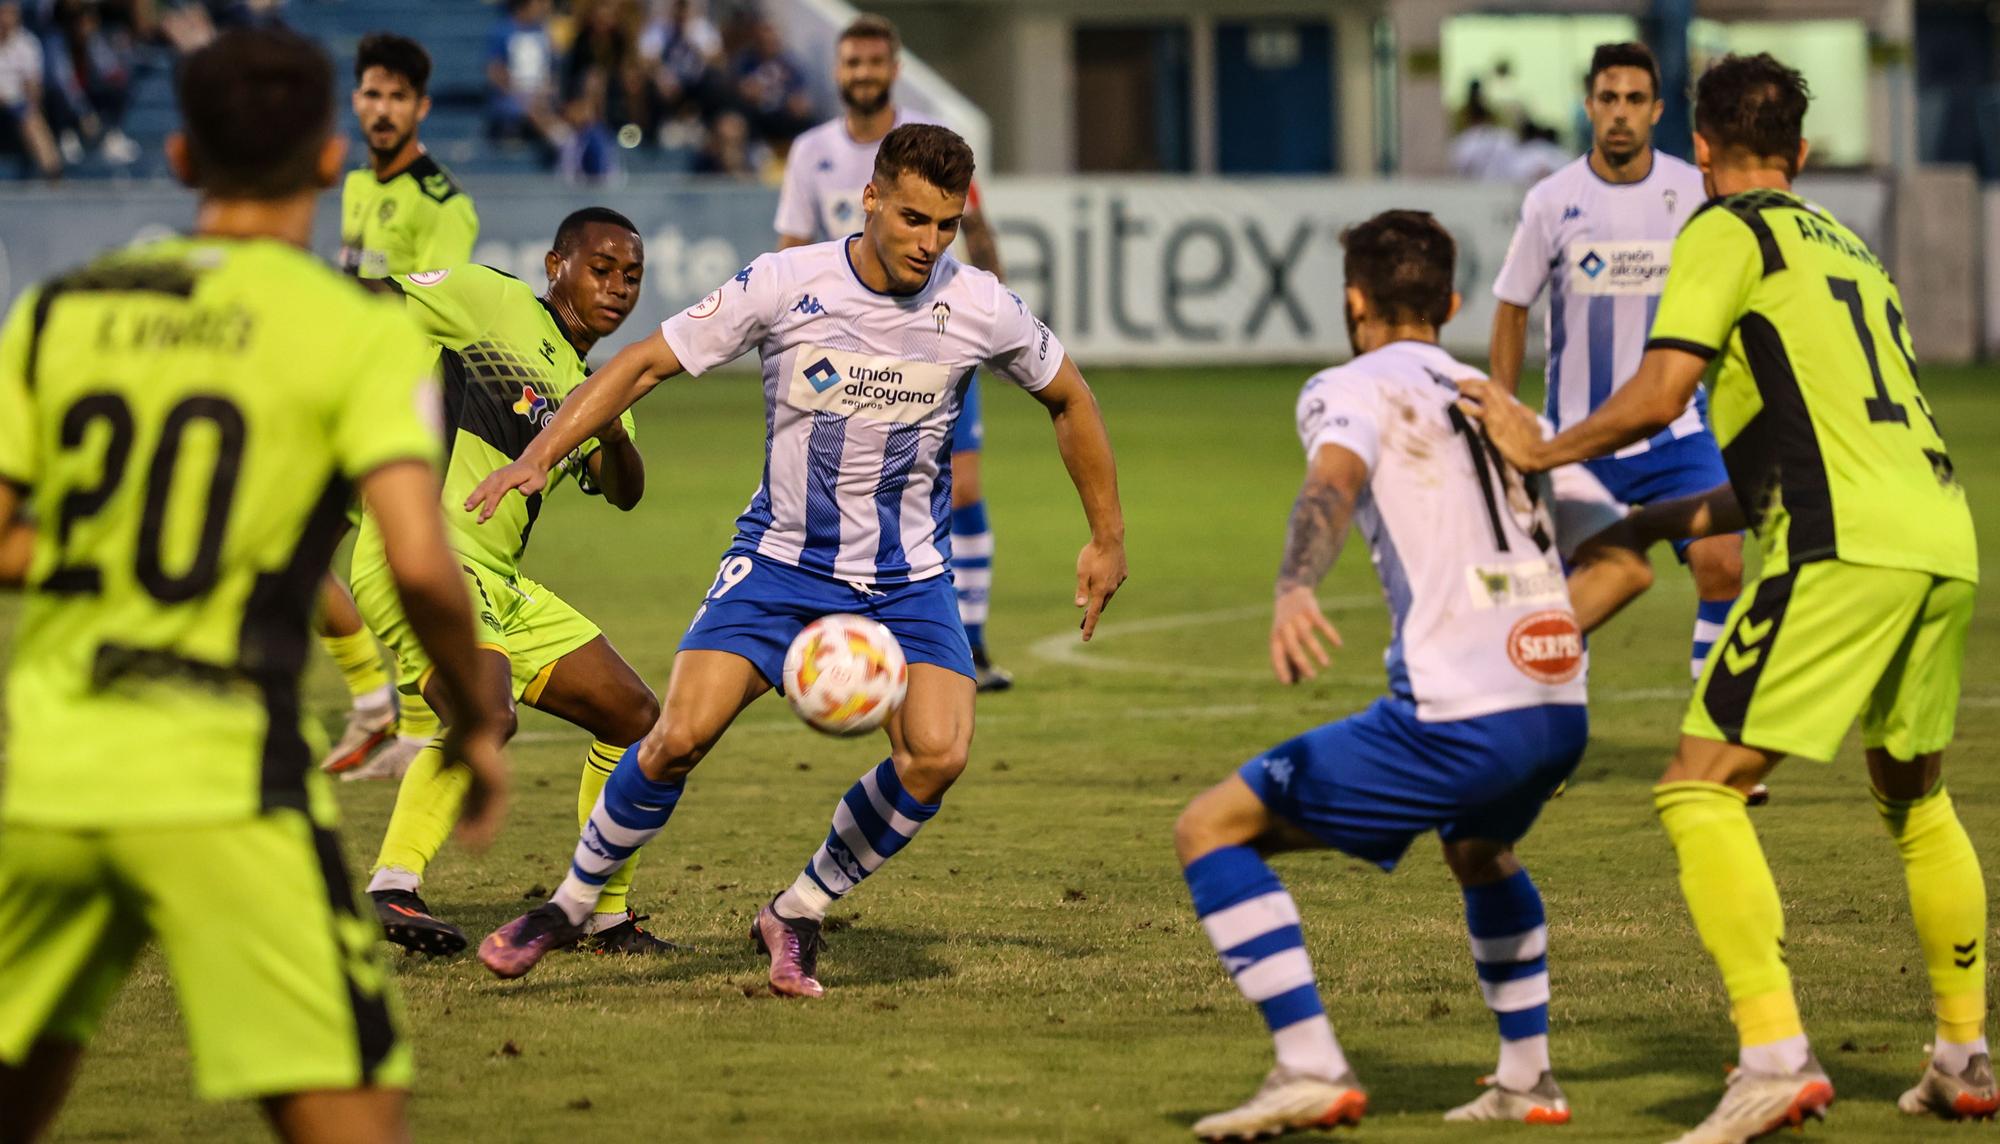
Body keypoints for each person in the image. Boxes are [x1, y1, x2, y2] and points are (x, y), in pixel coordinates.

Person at [467, 123, 1127, 996]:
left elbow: (1070, 397)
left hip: (906, 580)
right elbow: (641, 365)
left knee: (938, 752)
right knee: (676, 738)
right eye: (913, 219)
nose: (929, 244)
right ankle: (570, 902)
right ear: (872, 198)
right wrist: (541, 453)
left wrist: (1107, 535)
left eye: (945, 226)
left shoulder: (981, 306)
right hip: (780, 563)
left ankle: (800, 907)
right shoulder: (787, 283)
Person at [1462, 53, 1990, 1142]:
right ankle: (1960, 1052)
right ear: (1799, 153)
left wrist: (1539, 447)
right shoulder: (1848, 247)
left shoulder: (1720, 229)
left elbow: (1659, 396)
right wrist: (1653, 524)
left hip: (1837, 547)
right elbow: (1800, 447)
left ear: (1695, 146)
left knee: (1697, 790)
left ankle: (1771, 1053)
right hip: (1939, 534)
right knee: (1912, 798)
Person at [0, 27, 506, 1143]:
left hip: (46, 772)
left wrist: (111, 543)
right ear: (330, 163)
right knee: (352, 1113)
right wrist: (470, 724)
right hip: (224, 773)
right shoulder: (353, 333)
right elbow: (422, 565)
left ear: (180, 158)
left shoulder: (58, 312)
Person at [1172, 209, 1668, 1139]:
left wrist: (1293, 586)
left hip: (1459, 717)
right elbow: (1625, 563)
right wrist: (1537, 633)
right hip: (1558, 711)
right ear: (1449, 302)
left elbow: (1335, 478)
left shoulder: (1347, 386)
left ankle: (1309, 1066)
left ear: (1354, 300)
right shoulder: (1505, 403)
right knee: (1479, 849)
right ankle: (1528, 1081)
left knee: (1211, 830)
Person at [357, 209, 673, 958]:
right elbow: (371, 296)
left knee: (634, 717)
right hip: (424, 552)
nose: (618, 288)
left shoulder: (594, 386)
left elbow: (625, 491)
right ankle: (390, 886)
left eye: (632, 276)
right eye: (601, 268)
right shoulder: (489, 300)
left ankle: (605, 917)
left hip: (497, 579)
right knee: (486, 715)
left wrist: (609, 424)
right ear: (554, 263)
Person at [1490, 41, 1742, 687]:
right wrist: (1503, 413)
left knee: (1723, 563)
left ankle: (1716, 733)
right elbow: (1513, 307)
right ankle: (1551, 743)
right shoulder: (1552, 200)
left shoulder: (1694, 193)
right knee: (1572, 596)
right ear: (1589, 106)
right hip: (1579, 440)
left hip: (1677, 434)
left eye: (1634, 100)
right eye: (1608, 99)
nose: (1620, 113)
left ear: (1657, 110)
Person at [775, 14, 1016, 690]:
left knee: (957, 485)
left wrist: (995, 309)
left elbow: (978, 230)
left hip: (929, 341)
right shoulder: (810, 153)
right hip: (839, 351)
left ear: (895, 67)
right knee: (825, 482)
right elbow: (793, 251)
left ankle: (968, 642)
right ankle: (827, 627)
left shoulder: (932, 149)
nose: (863, 74)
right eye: (853, 63)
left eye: (874, 63)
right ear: (837, 70)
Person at [323, 31, 481, 782]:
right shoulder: (358, 186)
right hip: (344, 390)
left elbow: (443, 309)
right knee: (293, 548)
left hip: (406, 403)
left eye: (397, 97)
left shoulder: (443, 205)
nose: (382, 110)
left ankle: (411, 722)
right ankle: (379, 705)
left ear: (420, 107)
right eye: (372, 94)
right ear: (356, 100)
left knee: (379, 569)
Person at [0, 1, 59, 179]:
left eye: (9, 14)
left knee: (31, 118)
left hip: (16, 105)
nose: (5, 19)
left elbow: (33, 86)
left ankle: (53, 174)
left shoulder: (28, 44)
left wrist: (28, 104)